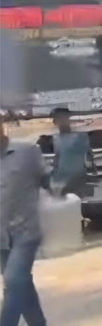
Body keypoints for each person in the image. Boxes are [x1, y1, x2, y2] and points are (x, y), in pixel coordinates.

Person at [1, 119, 50, 326]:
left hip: (26, 231)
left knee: (13, 281)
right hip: (1, 238)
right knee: (22, 285)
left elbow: (47, 179)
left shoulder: (28, 151)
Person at [49, 108, 91, 199]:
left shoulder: (80, 136)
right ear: (55, 121)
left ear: (69, 118)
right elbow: (57, 158)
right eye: (58, 118)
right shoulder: (55, 138)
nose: (61, 121)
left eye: (63, 117)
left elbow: (88, 156)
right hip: (61, 181)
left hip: (78, 178)